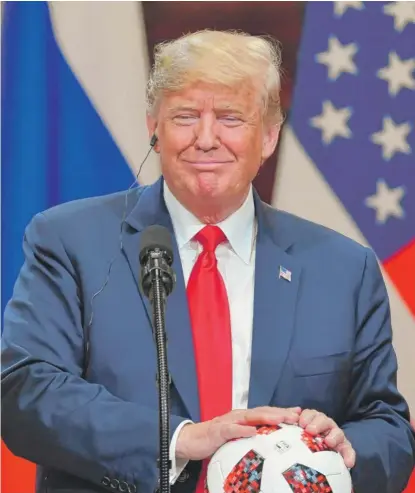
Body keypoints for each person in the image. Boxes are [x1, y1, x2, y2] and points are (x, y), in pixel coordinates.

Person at [2, 29, 414, 493]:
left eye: (230, 117)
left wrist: (342, 453)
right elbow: (25, 393)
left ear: (270, 135)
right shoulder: (69, 241)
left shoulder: (344, 268)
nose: (205, 139)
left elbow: (388, 429)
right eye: (184, 116)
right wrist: (180, 438)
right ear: (153, 128)